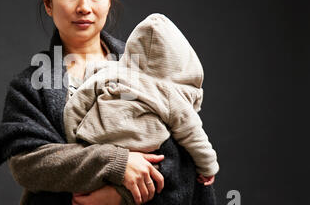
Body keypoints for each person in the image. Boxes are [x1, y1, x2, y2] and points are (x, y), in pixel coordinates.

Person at [0, 0, 220, 205]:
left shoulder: (148, 68)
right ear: (48, 2)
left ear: (109, 0)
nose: (84, 6)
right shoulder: (30, 85)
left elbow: (182, 148)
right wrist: (116, 163)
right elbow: (29, 163)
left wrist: (122, 196)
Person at [64, 13, 219, 186]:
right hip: (140, 146)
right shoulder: (170, 95)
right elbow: (193, 134)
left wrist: (73, 140)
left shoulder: (109, 72)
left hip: (94, 140)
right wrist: (208, 166)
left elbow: (76, 104)